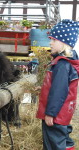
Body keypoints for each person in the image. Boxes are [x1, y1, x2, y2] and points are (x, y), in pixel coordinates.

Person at [36, 19, 79, 150]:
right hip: (62, 114)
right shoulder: (67, 63)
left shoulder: (62, 65)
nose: (50, 43)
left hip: (55, 115)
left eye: (54, 40)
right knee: (63, 141)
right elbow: (57, 87)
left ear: (64, 43)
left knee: (53, 145)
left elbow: (59, 91)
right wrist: (42, 88)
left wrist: (50, 113)